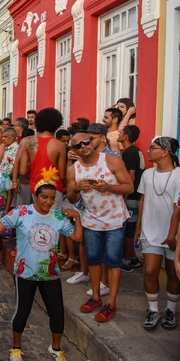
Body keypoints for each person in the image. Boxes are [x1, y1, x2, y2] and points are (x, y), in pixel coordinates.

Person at [0, 178, 83, 361]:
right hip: (25, 272)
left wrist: (77, 217)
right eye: (44, 197)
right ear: (35, 196)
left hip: (50, 274)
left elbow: (77, 237)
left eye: (51, 198)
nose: (48, 202)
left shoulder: (57, 217)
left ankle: (56, 348)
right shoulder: (22, 212)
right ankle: (16, 347)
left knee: (57, 312)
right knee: (22, 310)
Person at [66, 132, 133, 322]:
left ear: (93, 142)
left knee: (113, 261)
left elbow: (129, 187)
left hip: (114, 219)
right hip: (91, 220)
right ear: (74, 150)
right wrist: (77, 188)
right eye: (78, 145)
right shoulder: (73, 169)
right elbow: (71, 198)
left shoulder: (111, 161)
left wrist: (109, 187)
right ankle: (96, 297)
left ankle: (111, 303)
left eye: (86, 142)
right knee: (93, 260)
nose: (84, 146)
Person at [135, 137, 180, 330]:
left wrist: (171, 236)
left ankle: (170, 310)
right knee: (150, 271)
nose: (148, 150)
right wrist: (138, 227)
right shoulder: (147, 174)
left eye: (153, 147)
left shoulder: (178, 175)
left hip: (174, 234)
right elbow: (143, 201)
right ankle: (153, 309)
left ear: (165, 152)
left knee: (173, 273)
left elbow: (178, 208)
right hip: (150, 230)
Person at [15, 108, 67, 211]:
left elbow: (23, 171)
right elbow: (62, 175)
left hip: (36, 188)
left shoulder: (27, 142)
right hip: (54, 189)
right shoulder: (60, 145)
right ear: (56, 124)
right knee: (53, 222)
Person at [118, 125, 144, 272]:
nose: (118, 135)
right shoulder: (136, 151)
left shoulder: (129, 152)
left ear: (125, 137)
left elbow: (131, 176)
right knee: (131, 226)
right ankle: (133, 258)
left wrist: (123, 197)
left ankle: (127, 261)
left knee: (128, 229)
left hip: (131, 196)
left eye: (121, 133)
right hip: (136, 195)